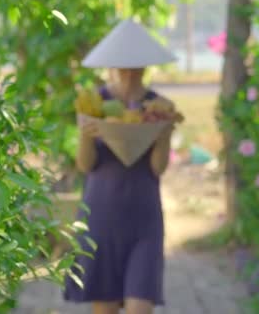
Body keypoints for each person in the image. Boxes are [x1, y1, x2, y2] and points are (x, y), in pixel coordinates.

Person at [63, 19, 177, 314]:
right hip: (101, 214)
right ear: (112, 65)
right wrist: (86, 137)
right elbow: (86, 165)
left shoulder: (158, 106)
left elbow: (158, 168)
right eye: (123, 66)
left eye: (135, 66)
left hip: (144, 217)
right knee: (106, 307)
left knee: (141, 305)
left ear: (145, 66)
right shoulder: (94, 103)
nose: (129, 72)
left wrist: (163, 137)